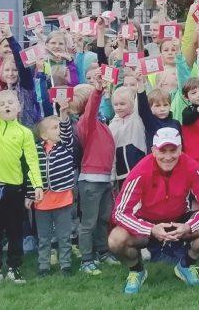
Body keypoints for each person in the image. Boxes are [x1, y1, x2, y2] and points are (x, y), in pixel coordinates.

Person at [109, 127, 199, 295]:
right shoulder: (141, 170)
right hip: (148, 225)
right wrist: (150, 229)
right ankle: (137, 271)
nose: (168, 156)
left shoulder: (191, 166)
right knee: (115, 239)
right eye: (162, 150)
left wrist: (189, 226)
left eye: (173, 150)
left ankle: (186, 265)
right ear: (153, 150)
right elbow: (120, 212)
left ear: (180, 149)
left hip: (180, 222)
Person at [0, 86, 44, 286]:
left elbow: (31, 161)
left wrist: (37, 185)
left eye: (10, 102)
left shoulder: (25, 133)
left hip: (14, 189)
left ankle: (14, 267)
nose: (6, 106)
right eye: (1, 104)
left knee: (14, 230)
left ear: (18, 106)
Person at [76, 77, 120, 275]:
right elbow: (92, 108)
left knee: (103, 219)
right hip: (90, 181)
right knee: (89, 222)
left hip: (104, 179)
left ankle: (102, 252)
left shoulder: (100, 123)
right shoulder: (86, 123)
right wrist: (98, 91)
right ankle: (86, 259)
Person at [31, 111, 77, 276]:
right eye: (54, 127)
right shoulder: (35, 150)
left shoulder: (65, 146)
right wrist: (29, 195)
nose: (59, 130)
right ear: (44, 135)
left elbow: (66, 131)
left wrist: (63, 115)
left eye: (60, 127)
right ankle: (44, 265)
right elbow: (31, 172)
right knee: (44, 237)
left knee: (64, 236)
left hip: (63, 200)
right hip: (42, 202)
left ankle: (65, 265)